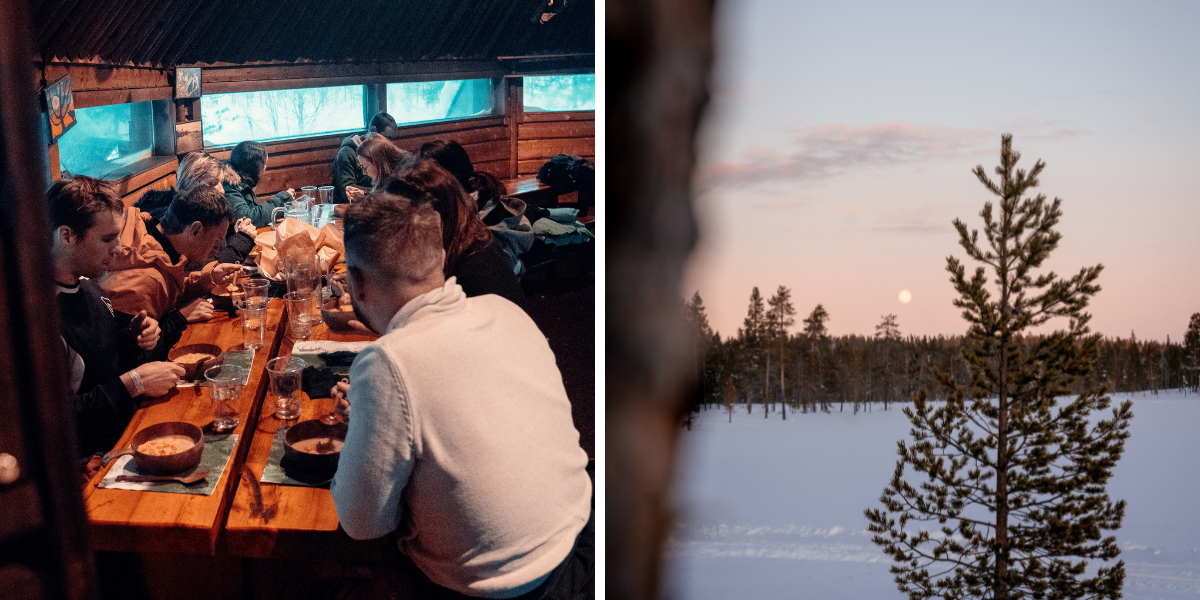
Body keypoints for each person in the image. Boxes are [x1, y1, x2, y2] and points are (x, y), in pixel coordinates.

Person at [330, 196, 593, 599]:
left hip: (503, 591)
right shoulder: (503, 310)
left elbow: (362, 523)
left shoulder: (387, 362)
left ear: (355, 281)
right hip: (581, 548)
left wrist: (361, 427)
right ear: (439, 257)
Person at [48, 176, 186, 459]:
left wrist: (134, 338)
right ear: (67, 236)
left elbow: (99, 366)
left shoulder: (90, 289)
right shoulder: (38, 318)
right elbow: (55, 418)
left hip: (125, 434)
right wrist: (134, 383)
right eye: (107, 238)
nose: (119, 248)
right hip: (88, 461)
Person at [381, 156, 526, 308]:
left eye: (401, 218)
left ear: (435, 216)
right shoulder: (460, 238)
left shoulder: (476, 268)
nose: (396, 230)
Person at [101, 186, 240, 322]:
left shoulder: (148, 236)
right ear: (196, 230)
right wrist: (180, 317)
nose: (217, 250)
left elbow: (167, 290)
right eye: (217, 241)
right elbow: (130, 337)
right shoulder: (143, 280)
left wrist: (207, 279)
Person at [135, 151, 258, 263]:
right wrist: (242, 239)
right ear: (191, 184)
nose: (222, 190)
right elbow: (201, 265)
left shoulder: (197, 214)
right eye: (213, 183)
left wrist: (232, 232)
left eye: (222, 182)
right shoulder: (172, 219)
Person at [223, 140, 295, 227]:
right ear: (255, 167)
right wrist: (282, 200)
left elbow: (253, 211)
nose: (265, 167)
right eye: (264, 163)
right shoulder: (228, 186)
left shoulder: (241, 183)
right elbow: (248, 218)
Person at [332, 112, 398, 204]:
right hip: (352, 206)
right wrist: (378, 192)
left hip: (377, 203)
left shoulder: (384, 151)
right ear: (373, 130)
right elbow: (347, 191)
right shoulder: (347, 153)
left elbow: (390, 185)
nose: (389, 143)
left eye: (392, 139)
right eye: (387, 138)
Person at [351, 133, 408, 197]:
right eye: (362, 167)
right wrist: (364, 194)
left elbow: (388, 199)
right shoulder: (391, 176)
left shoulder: (402, 182)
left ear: (378, 163)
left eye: (365, 167)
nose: (364, 173)